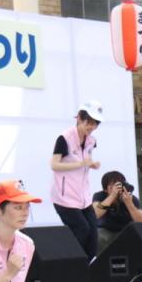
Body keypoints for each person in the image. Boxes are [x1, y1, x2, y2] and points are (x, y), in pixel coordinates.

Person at [50, 101, 103, 258]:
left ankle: (88, 268)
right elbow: (54, 165)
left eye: (95, 124)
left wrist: (91, 164)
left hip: (83, 197)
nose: (91, 127)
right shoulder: (64, 138)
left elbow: (86, 160)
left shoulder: (91, 141)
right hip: (64, 197)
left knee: (93, 232)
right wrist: (80, 163)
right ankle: (70, 264)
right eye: (89, 122)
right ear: (79, 118)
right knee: (81, 229)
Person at [92, 170, 142, 252]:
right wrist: (112, 196)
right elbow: (95, 214)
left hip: (125, 230)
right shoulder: (100, 196)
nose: (118, 188)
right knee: (98, 236)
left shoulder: (131, 198)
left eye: (120, 184)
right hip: (105, 230)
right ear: (105, 189)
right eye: (113, 185)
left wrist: (129, 204)